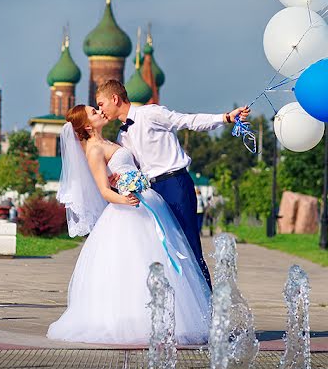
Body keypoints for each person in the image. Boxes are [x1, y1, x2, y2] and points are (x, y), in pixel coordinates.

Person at [46, 105, 211, 345]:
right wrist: (124, 197)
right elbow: (103, 190)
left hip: (148, 202)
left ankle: (170, 317)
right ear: (88, 126)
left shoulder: (114, 140)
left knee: (157, 260)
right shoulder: (94, 150)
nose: (99, 112)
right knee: (134, 263)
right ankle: (135, 320)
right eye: (94, 112)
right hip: (128, 209)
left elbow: (119, 172)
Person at [95, 79, 249, 288]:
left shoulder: (150, 113)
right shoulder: (122, 135)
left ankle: (207, 304)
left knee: (189, 246)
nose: (100, 109)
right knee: (164, 249)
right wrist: (119, 178)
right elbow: (132, 167)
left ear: (115, 98)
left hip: (175, 184)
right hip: (151, 192)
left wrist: (226, 117)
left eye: (101, 104)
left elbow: (187, 121)